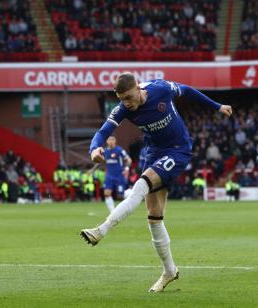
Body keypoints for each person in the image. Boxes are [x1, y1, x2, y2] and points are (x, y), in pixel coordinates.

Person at [80, 73, 232, 292]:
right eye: (122, 99)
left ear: (138, 88)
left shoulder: (161, 89)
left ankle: (101, 230)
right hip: (154, 155)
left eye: (129, 97)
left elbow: (187, 90)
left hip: (178, 150)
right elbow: (103, 131)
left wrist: (217, 106)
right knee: (154, 217)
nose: (127, 103)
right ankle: (169, 271)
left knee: (141, 186)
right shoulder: (122, 109)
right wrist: (94, 148)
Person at [103, 136, 132, 212]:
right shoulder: (105, 151)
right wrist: (92, 170)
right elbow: (101, 162)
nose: (111, 141)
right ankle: (112, 212)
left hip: (119, 176)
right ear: (107, 141)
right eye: (109, 140)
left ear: (115, 141)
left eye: (112, 140)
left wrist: (126, 168)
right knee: (106, 193)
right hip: (109, 176)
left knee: (120, 196)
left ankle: (131, 193)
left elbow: (129, 160)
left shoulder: (119, 150)